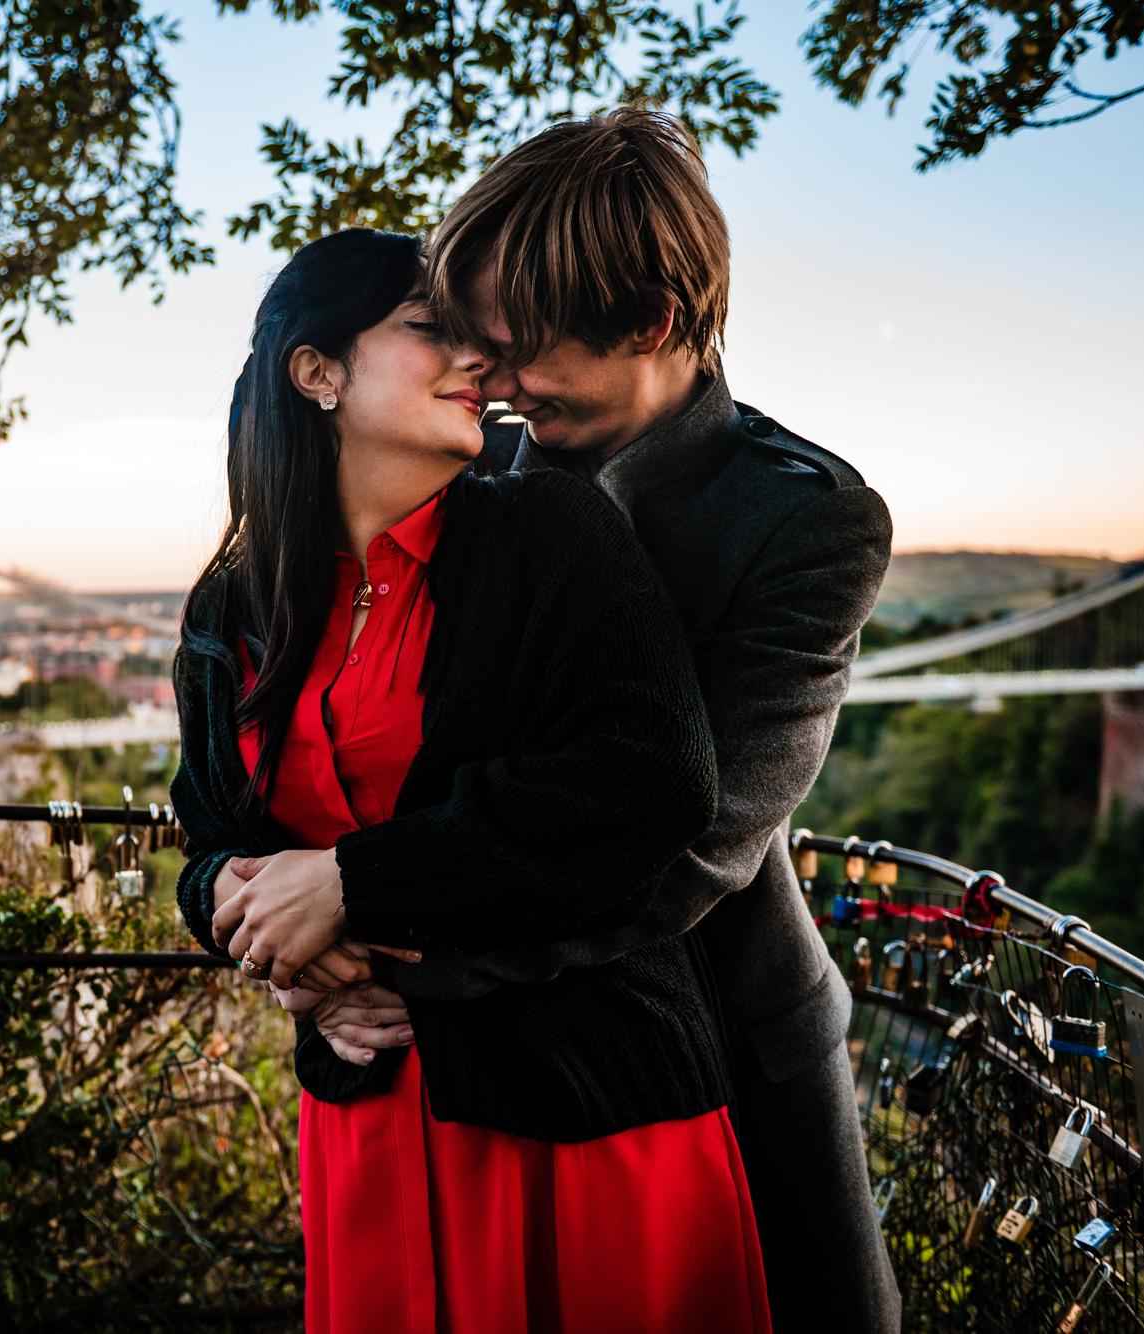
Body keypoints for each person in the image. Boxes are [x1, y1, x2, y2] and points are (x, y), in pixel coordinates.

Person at [267, 109, 901, 1332]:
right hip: (477, 1069)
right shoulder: (474, 469)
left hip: (716, 1035)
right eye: (466, 345)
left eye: (515, 351)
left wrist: (371, 934)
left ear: (652, 325)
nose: (485, 380)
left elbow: (686, 843)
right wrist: (300, 945)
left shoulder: (804, 520)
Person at [170, 226, 772, 1333]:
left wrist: (353, 883)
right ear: (316, 371)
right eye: (428, 330)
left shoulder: (547, 527)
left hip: (576, 1111)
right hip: (365, 1107)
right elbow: (206, 840)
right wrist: (261, 935)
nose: (480, 366)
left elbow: (652, 778)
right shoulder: (232, 608)